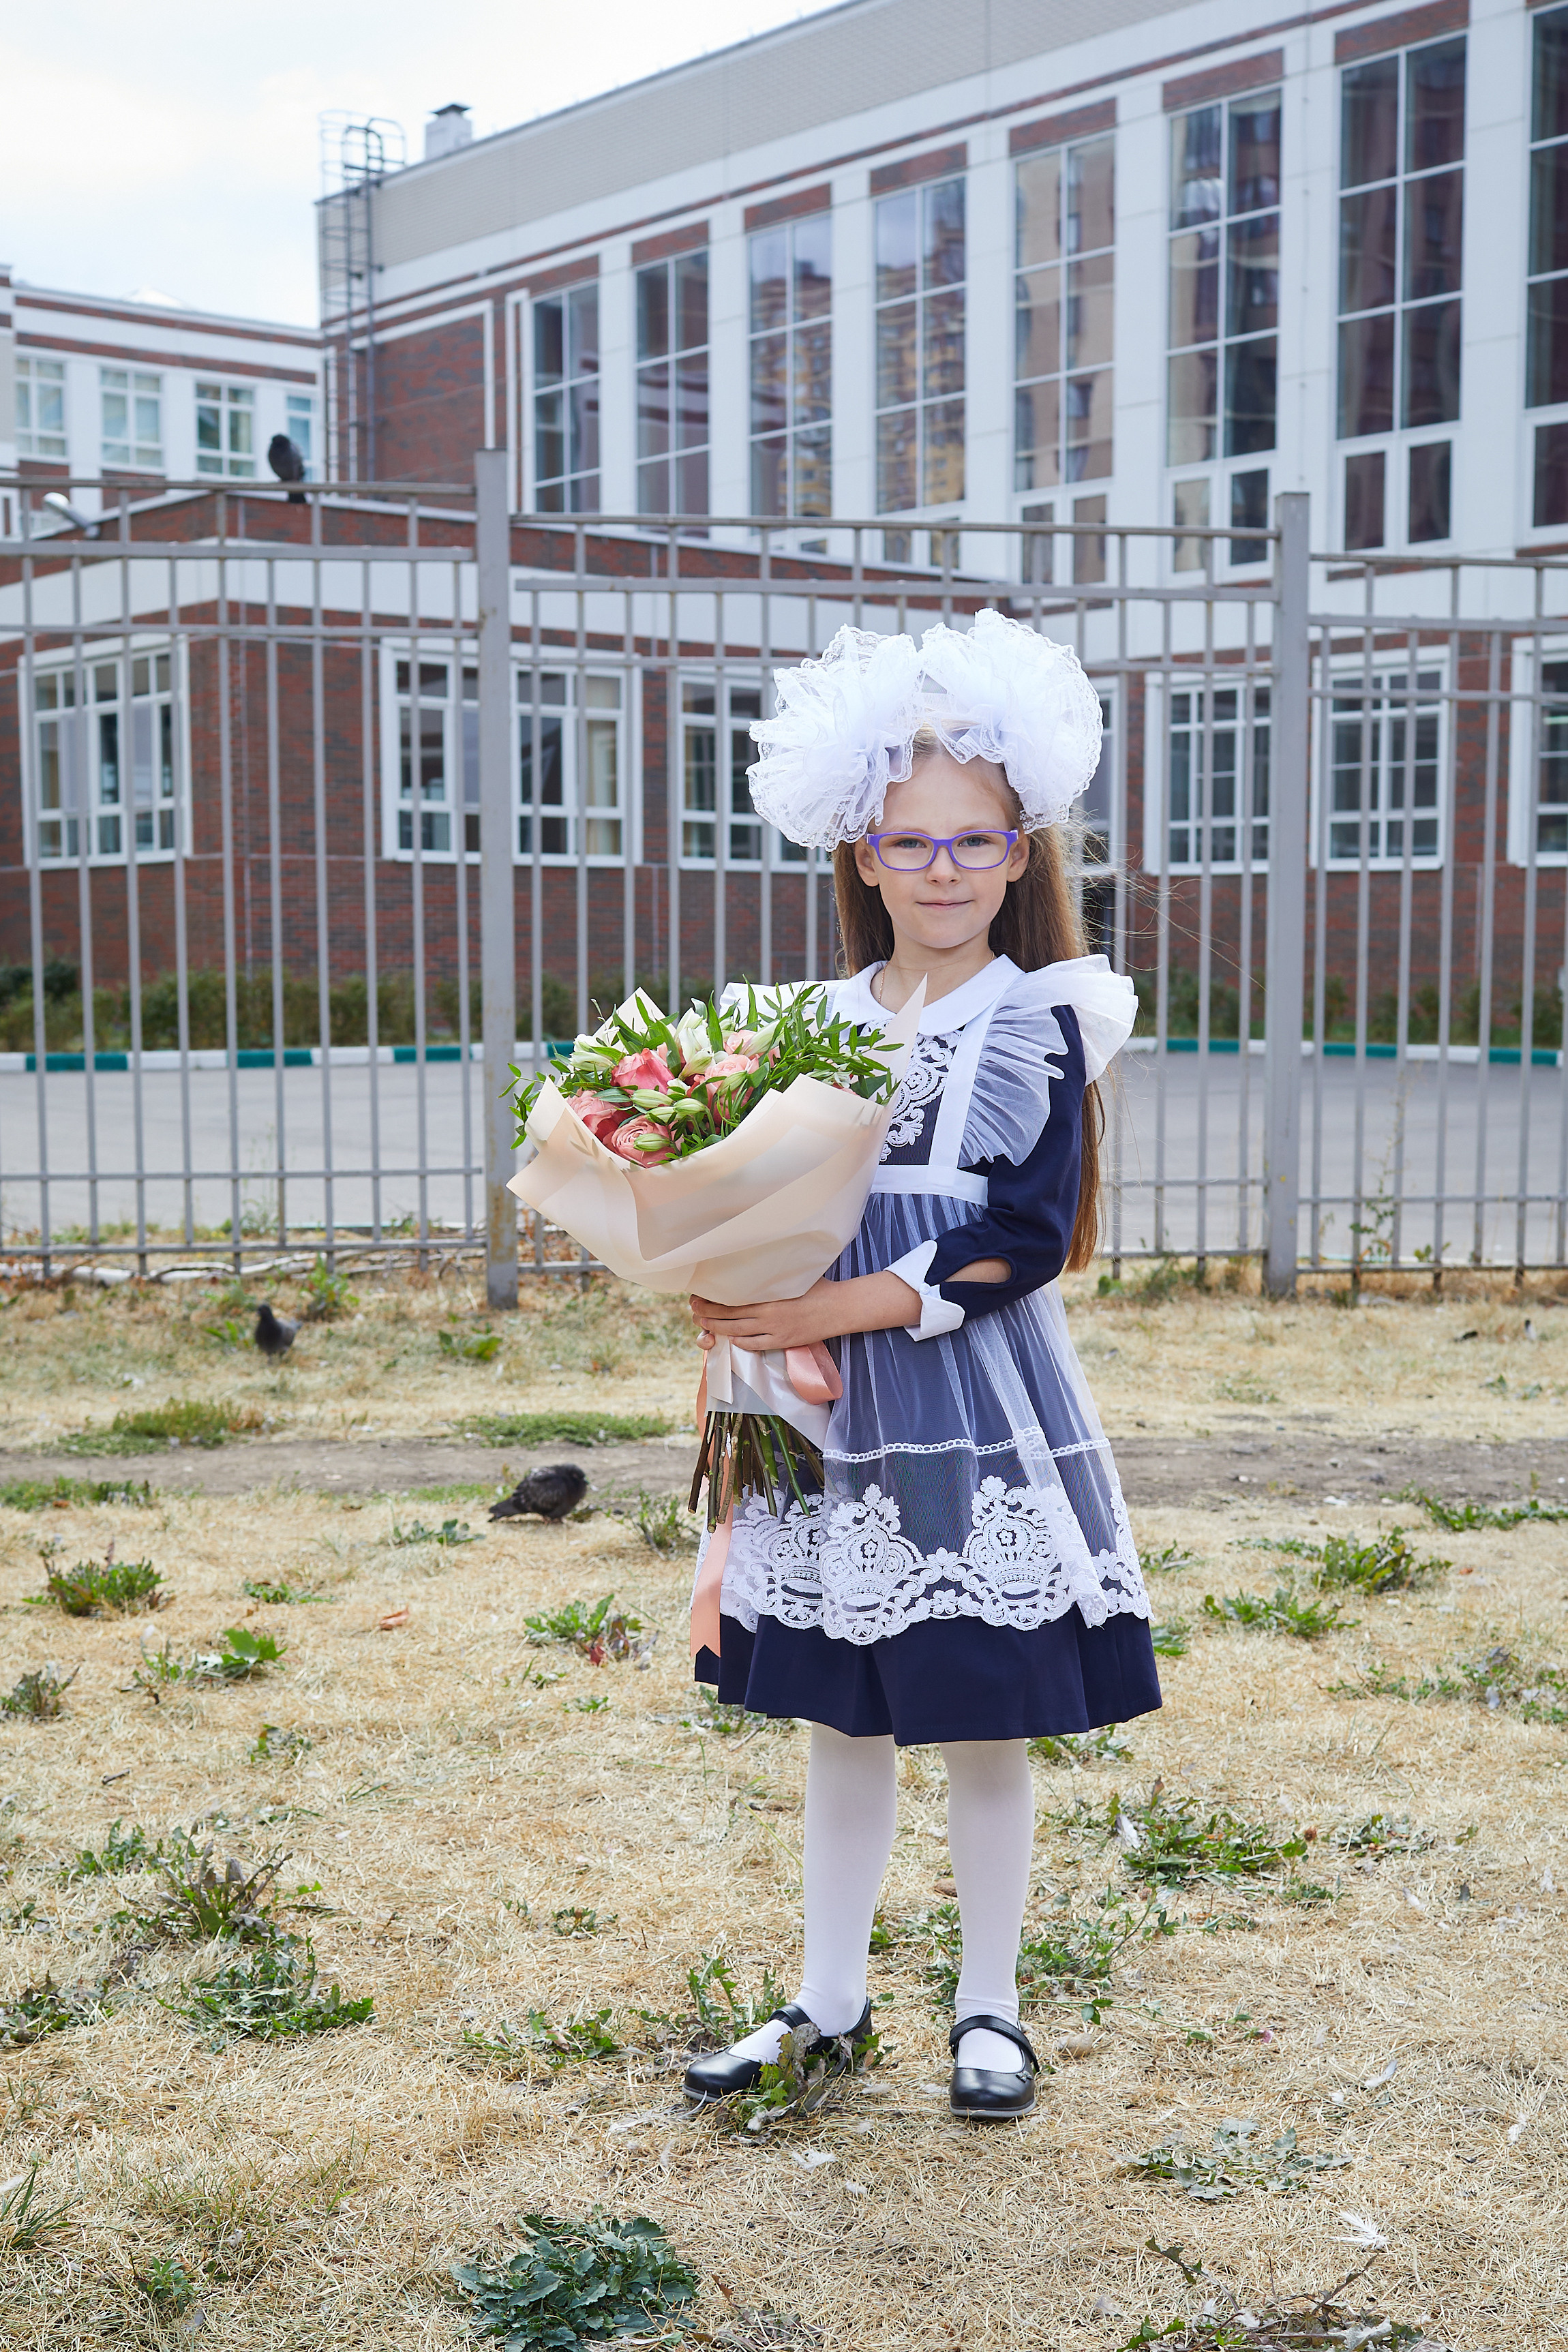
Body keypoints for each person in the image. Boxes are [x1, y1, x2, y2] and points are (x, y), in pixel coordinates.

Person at [684, 612, 1159, 2121]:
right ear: (863, 857)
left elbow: (1020, 1239)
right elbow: (753, 1205)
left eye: (974, 841)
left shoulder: (1042, 1015)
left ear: (1020, 854)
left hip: (966, 1399)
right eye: (911, 843)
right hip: (822, 1420)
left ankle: (990, 2009)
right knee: (844, 1709)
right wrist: (724, 1282)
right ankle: (826, 2002)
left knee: (977, 1707)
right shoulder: (804, 1029)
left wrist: (834, 1310)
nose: (942, 869)